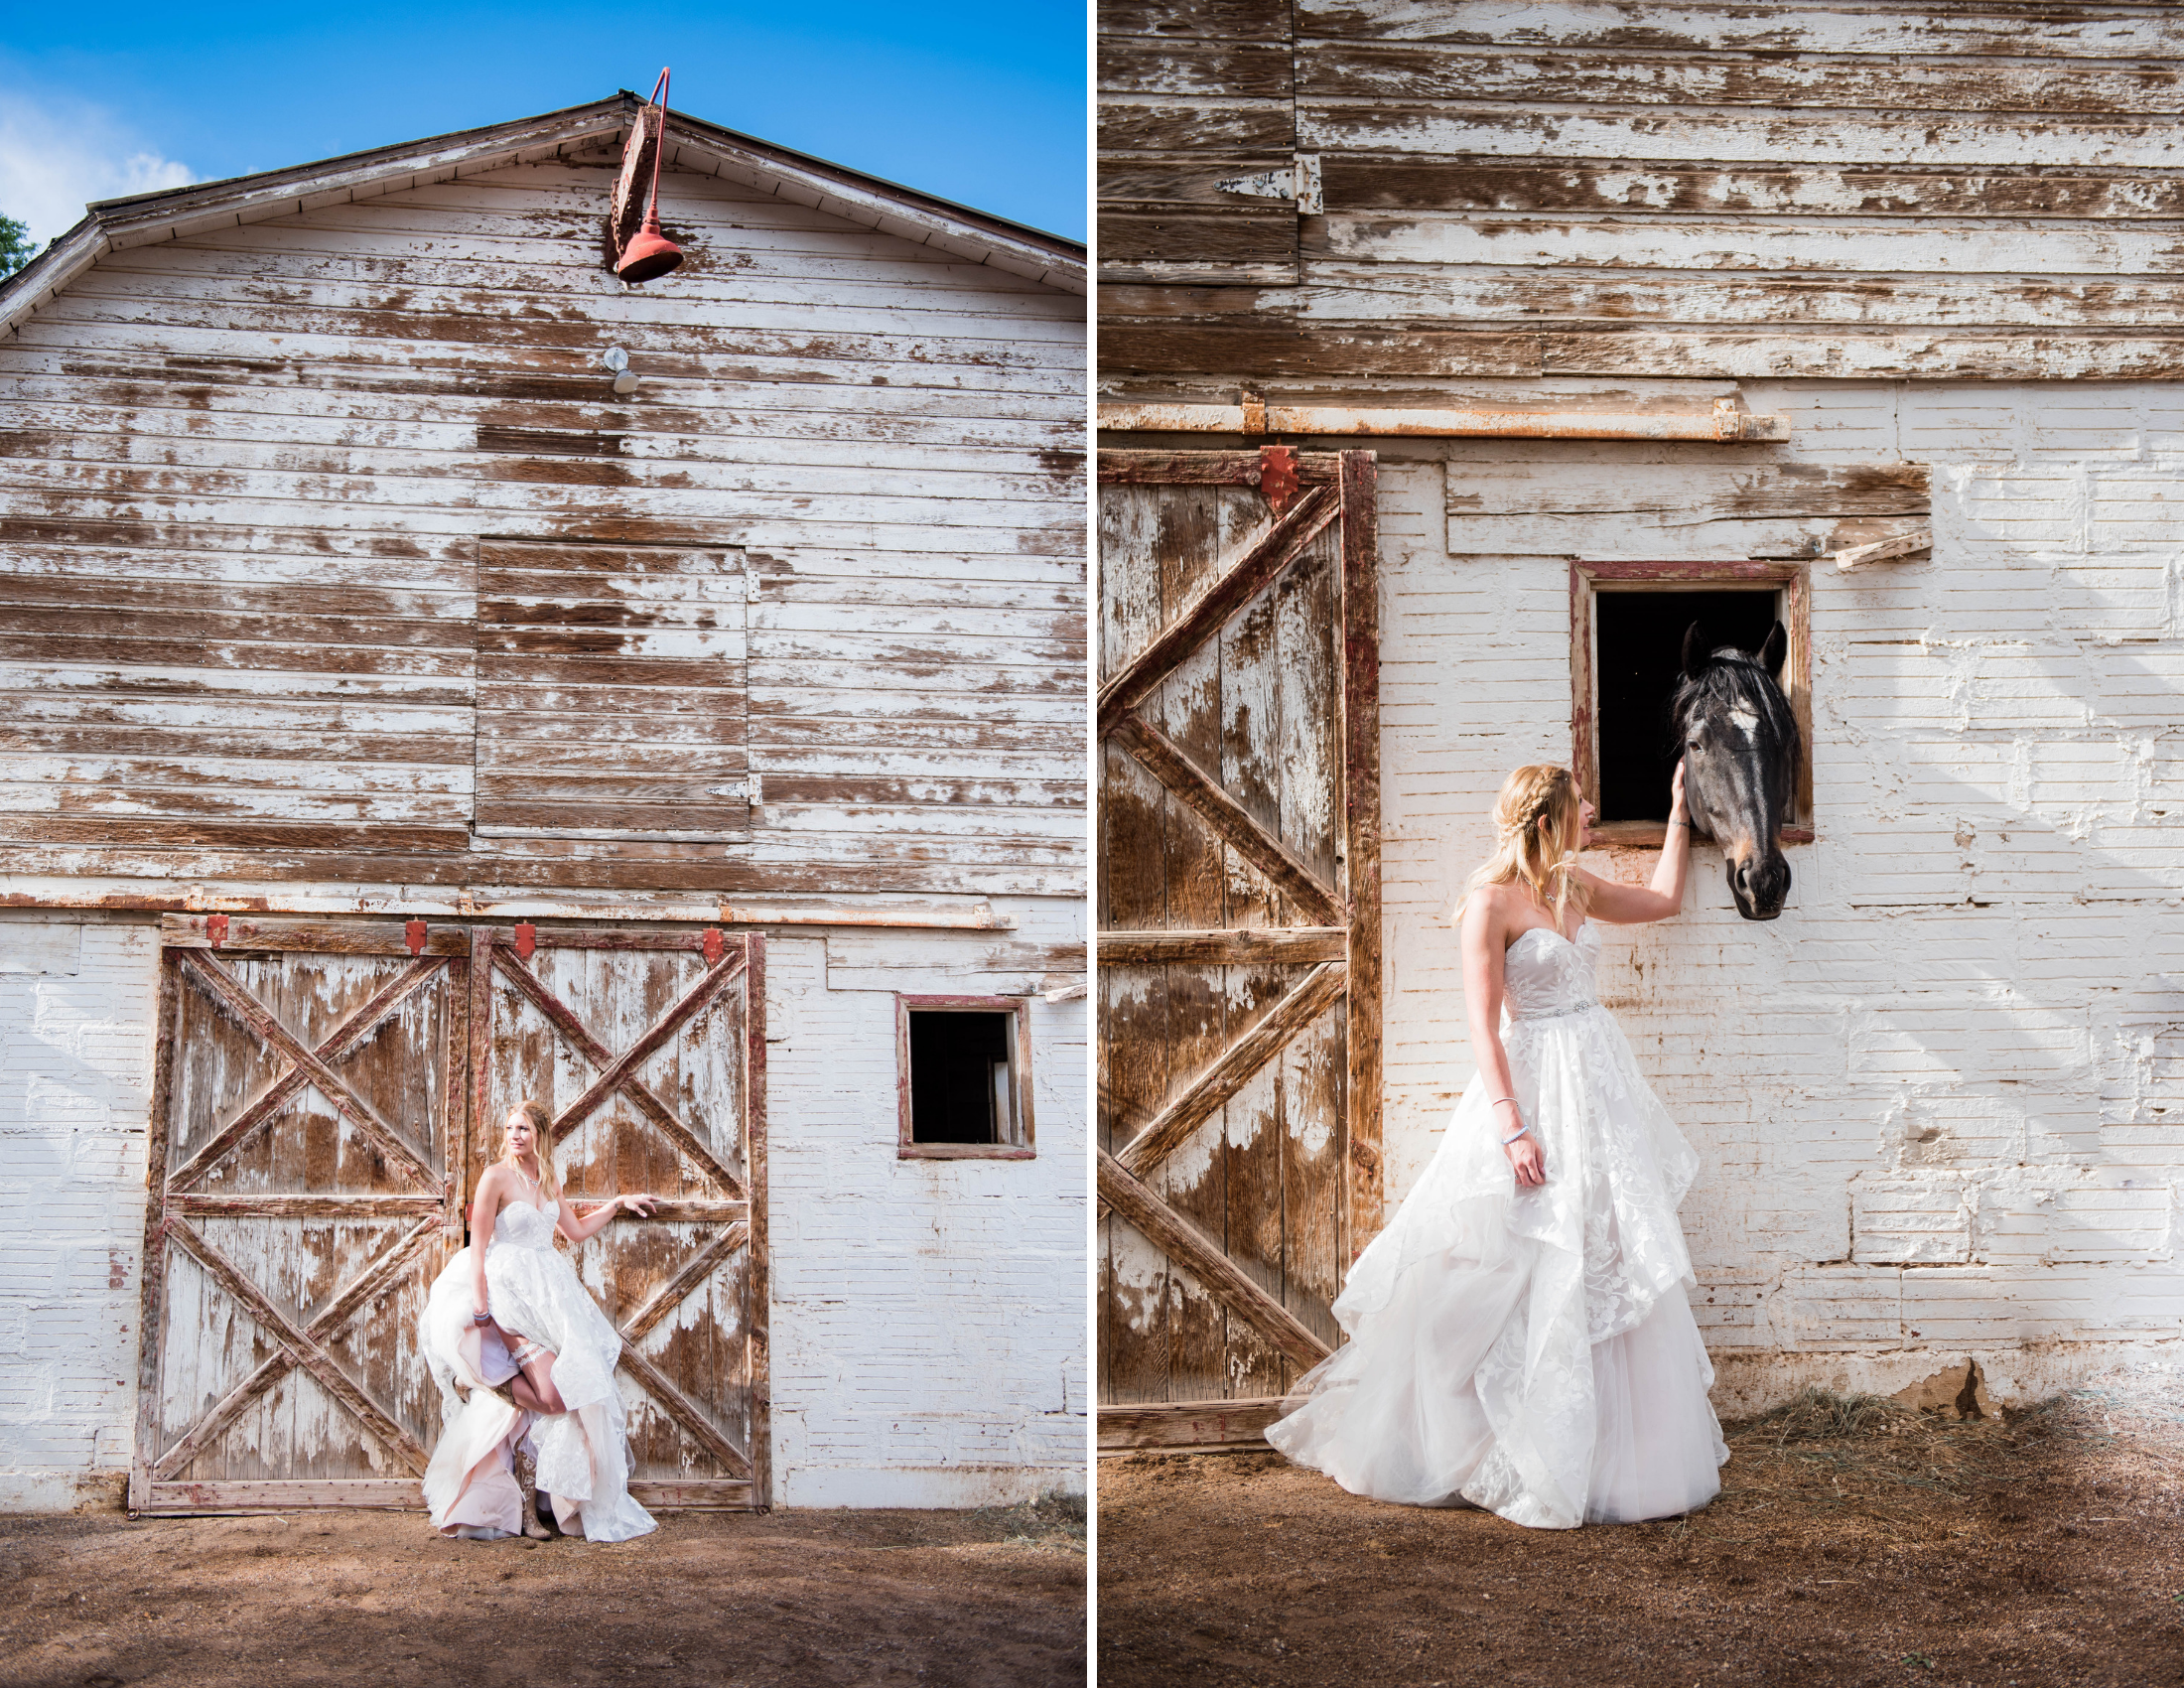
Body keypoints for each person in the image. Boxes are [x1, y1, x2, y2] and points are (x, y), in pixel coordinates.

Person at [1266, 762, 1727, 1528]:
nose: (1590, 815)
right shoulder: (1490, 903)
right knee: (1509, 1256)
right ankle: (1476, 1436)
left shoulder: (1573, 888)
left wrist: (1678, 811)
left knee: (1606, 1247)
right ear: (1546, 818)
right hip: (1535, 1085)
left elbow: (1663, 900)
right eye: (1580, 806)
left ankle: (1612, 1449)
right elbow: (1483, 1026)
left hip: (1598, 1086)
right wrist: (1513, 1126)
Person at [419, 1099, 660, 1542]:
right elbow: (479, 1245)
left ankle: (535, 1506)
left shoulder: (548, 1178)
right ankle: (482, 1381)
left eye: (524, 1129)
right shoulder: (495, 1177)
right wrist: (480, 1304)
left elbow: (575, 1231)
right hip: (508, 1292)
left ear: (540, 1135)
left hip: (550, 1294)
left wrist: (617, 1203)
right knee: (549, 1396)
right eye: (510, 1127)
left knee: (563, 1394)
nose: (515, 1135)